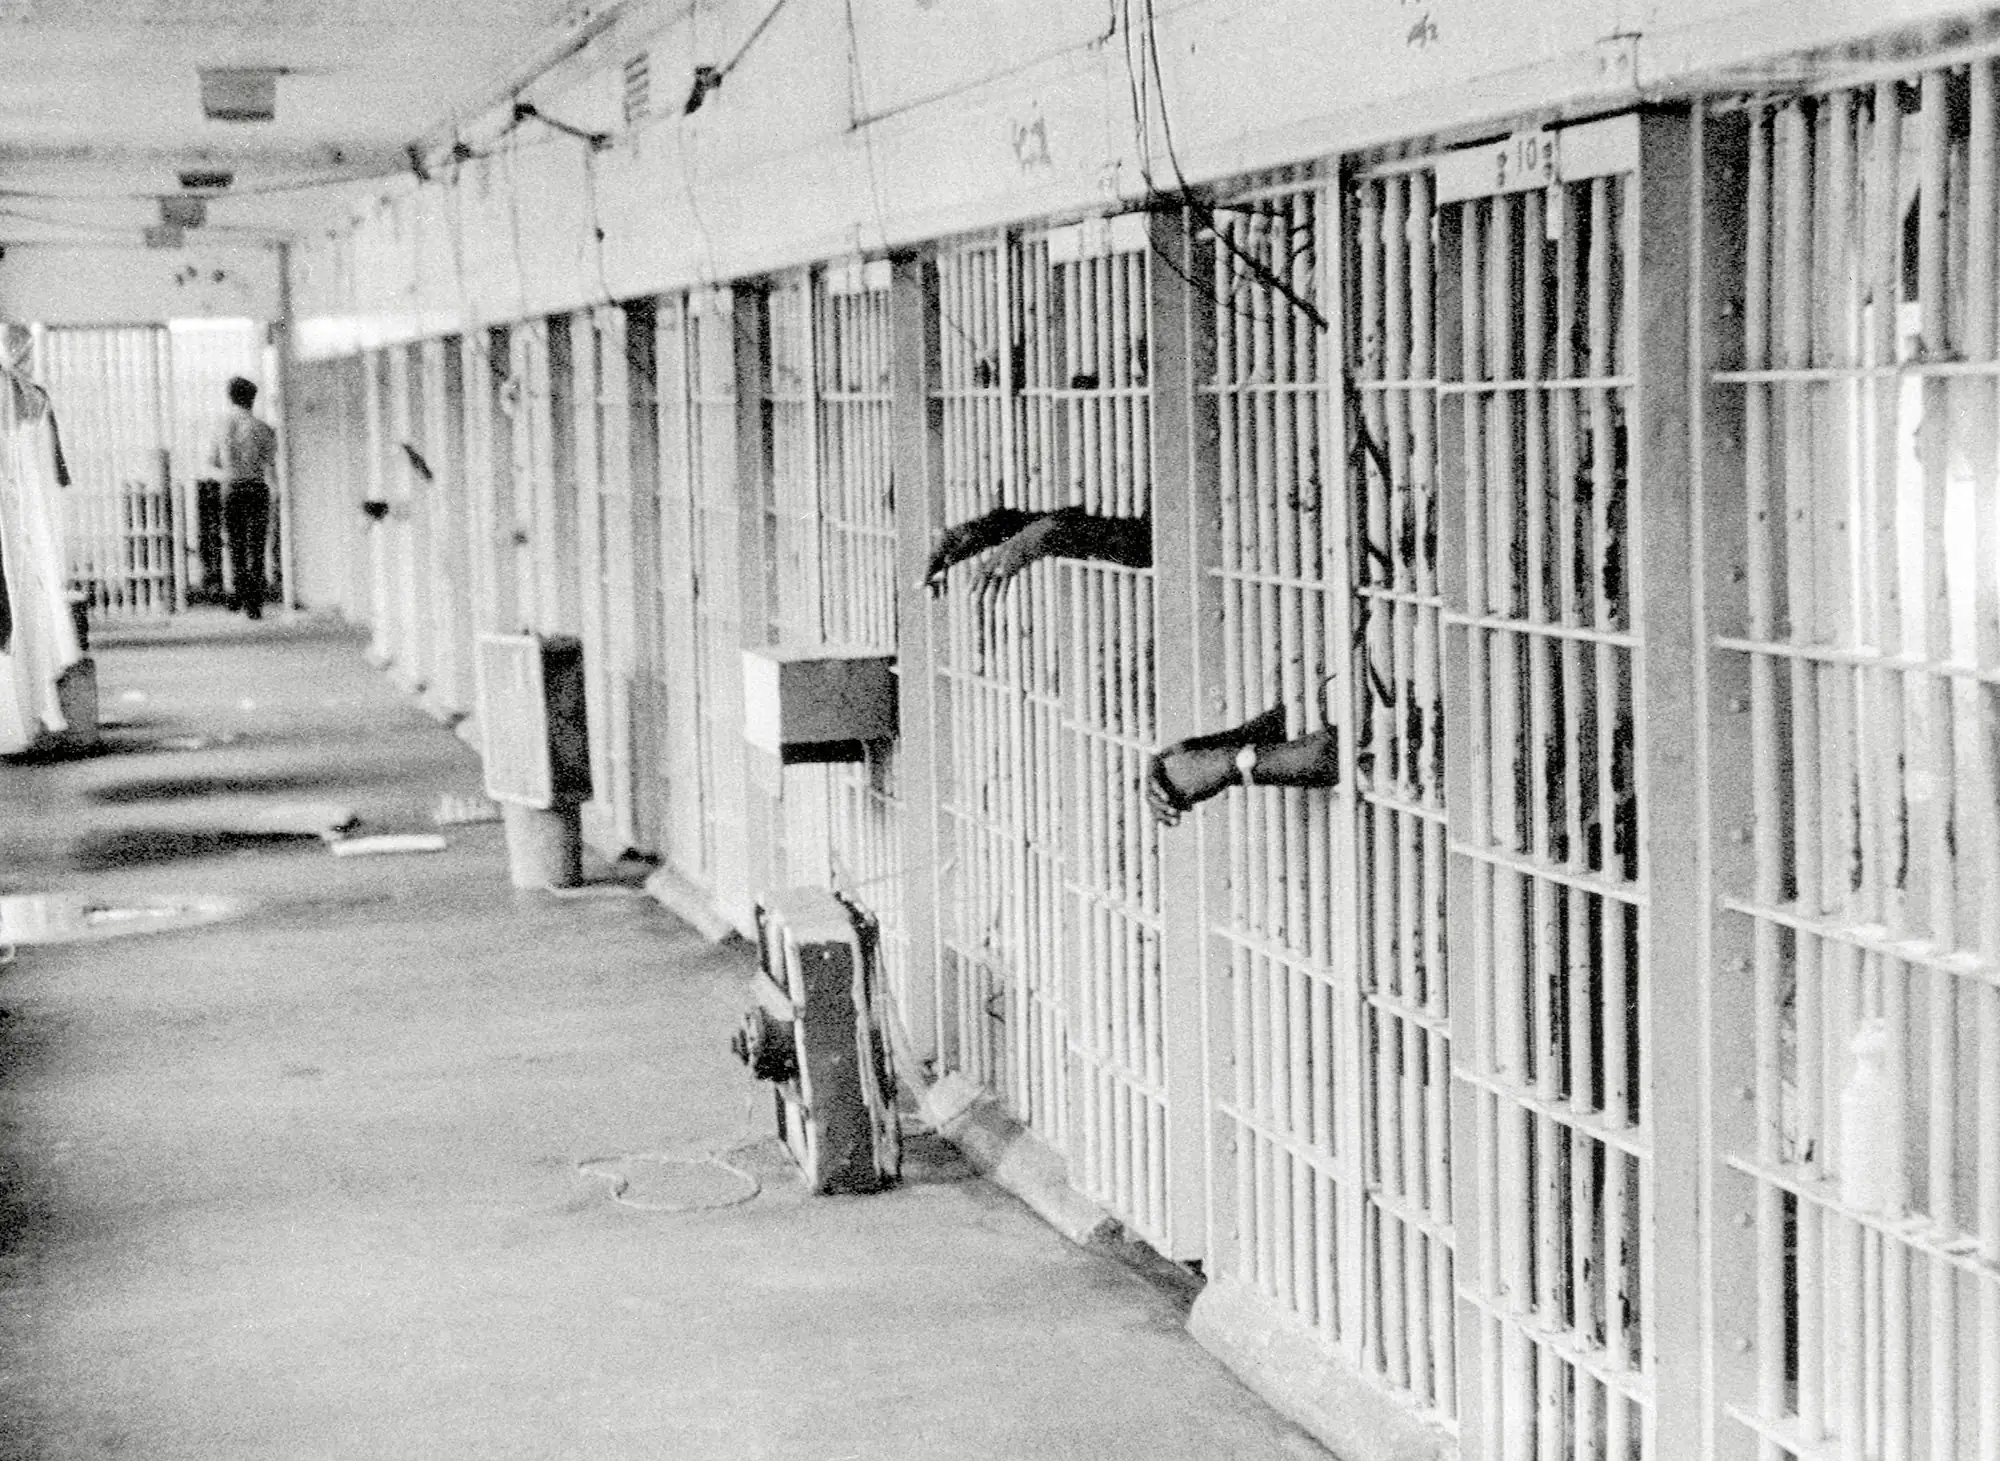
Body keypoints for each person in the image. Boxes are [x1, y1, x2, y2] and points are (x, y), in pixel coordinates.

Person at [207, 375, 277, 619]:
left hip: (231, 487)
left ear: (230, 397)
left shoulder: (221, 425)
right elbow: (269, 460)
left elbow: (213, 460)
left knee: (235, 544)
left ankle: (237, 593)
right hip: (256, 486)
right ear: (252, 398)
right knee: (256, 545)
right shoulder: (262, 427)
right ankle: (254, 602)